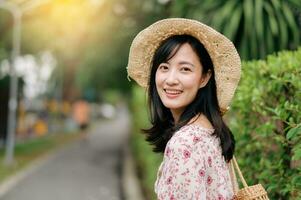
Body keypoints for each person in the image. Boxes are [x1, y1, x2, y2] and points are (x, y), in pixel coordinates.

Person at [127, 18, 241, 199]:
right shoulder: (211, 130)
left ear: (204, 78)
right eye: (164, 67)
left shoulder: (184, 144)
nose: (171, 79)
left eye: (185, 69)